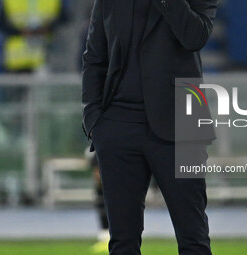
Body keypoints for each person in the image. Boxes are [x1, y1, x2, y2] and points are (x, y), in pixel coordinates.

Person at [81, 0, 218, 254]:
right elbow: (94, 57)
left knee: (194, 237)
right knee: (122, 242)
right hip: (117, 126)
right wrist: (94, 121)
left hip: (182, 124)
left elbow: (195, 37)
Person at [84, 146, 110, 254]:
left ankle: (107, 239)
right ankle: (105, 239)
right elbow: (97, 172)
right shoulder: (98, 149)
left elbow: (97, 172)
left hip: (111, 188)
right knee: (103, 211)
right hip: (105, 189)